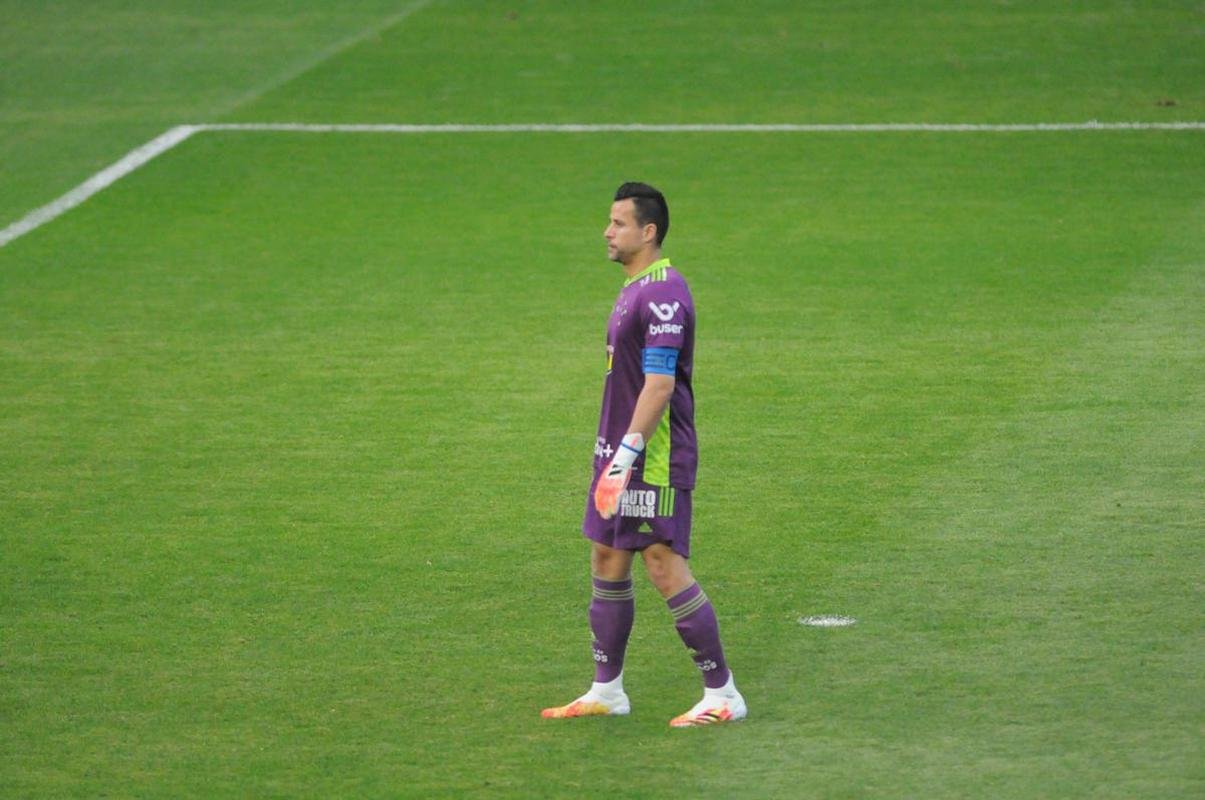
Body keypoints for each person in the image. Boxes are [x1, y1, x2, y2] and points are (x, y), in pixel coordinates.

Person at [541, 182, 747, 727]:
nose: (607, 232)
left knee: (662, 564)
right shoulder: (635, 288)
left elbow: (658, 384)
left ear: (647, 231)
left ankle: (722, 693)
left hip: (650, 456)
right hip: (619, 449)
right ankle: (607, 690)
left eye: (618, 223)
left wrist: (626, 457)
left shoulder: (663, 293)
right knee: (607, 557)